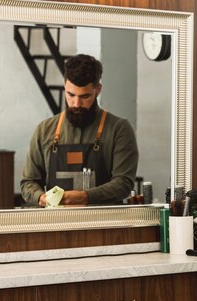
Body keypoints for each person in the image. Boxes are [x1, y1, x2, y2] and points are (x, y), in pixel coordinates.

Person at [21, 54, 138, 206]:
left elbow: (123, 184)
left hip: (105, 226)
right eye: (71, 95)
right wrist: (41, 198)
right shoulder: (44, 130)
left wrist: (84, 197)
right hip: (57, 224)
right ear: (64, 88)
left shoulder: (119, 129)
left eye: (85, 96)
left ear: (98, 90)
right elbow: (28, 183)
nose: (76, 103)